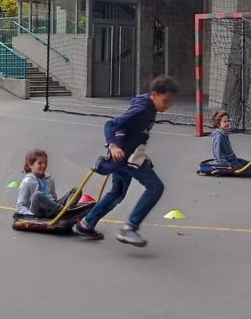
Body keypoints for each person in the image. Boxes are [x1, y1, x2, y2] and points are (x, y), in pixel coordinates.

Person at [74, 75, 178, 248]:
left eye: (170, 102)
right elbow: (111, 124)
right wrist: (113, 146)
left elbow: (138, 133)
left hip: (127, 155)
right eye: (165, 101)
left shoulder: (149, 106)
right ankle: (129, 228)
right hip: (127, 156)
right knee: (155, 187)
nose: (167, 106)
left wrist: (144, 155)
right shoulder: (142, 109)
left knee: (118, 192)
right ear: (153, 94)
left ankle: (86, 223)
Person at [13, 149, 64, 219]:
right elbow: (20, 206)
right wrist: (30, 215)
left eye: (45, 162)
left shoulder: (50, 179)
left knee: (74, 191)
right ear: (30, 165)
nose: (44, 165)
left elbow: (54, 197)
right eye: (39, 163)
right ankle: (62, 210)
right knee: (37, 195)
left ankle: (61, 209)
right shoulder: (27, 182)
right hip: (37, 212)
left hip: (51, 208)